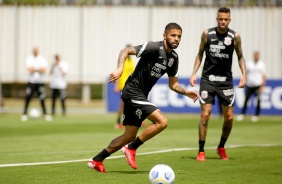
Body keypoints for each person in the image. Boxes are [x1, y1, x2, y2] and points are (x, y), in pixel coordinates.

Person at [88, 23, 199, 172]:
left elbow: (173, 84)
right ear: (164, 35)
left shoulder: (173, 58)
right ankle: (131, 148)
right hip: (132, 91)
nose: (176, 39)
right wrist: (120, 68)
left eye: (179, 36)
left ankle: (96, 160)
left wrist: (186, 92)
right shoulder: (153, 47)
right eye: (173, 35)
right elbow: (126, 50)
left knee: (129, 135)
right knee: (162, 122)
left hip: (140, 95)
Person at [190, 7, 246, 161]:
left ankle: (221, 147)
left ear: (230, 20)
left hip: (226, 82)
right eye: (220, 19)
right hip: (208, 80)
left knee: (229, 117)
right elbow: (200, 54)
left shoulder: (235, 37)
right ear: (217, 19)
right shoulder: (207, 34)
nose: (223, 21)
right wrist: (194, 73)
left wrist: (244, 74)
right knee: (205, 114)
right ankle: (201, 151)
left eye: (226, 19)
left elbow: (240, 56)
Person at [21, 47, 52, 122]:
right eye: (34, 51)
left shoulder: (42, 59)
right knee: (28, 97)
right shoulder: (29, 59)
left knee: (42, 98)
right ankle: (24, 114)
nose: (35, 52)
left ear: (38, 51)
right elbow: (29, 70)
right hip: (31, 82)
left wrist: (35, 69)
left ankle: (45, 114)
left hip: (40, 82)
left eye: (36, 51)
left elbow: (44, 69)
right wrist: (38, 69)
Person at [236, 51, 266, 122]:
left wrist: (262, 86)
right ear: (253, 56)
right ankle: (242, 114)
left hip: (258, 85)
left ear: (259, 56)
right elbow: (246, 74)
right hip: (250, 85)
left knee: (258, 100)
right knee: (246, 100)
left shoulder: (262, 65)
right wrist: (244, 81)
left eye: (257, 55)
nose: (256, 57)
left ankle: (256, 115)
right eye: (255, 55)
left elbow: (264, 76)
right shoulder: (249, 64)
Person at [114, 44, 135, 129]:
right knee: (123, 104)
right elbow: (118, 72)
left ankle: (135, 120)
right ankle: (118, 122)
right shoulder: (123, 60)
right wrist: (117, 84)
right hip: (123, 85)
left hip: (131, 85)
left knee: (132, 103)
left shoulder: (131, 61)